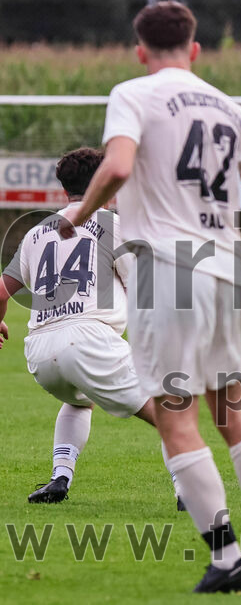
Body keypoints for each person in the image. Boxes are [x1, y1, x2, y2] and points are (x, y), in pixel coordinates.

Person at [63, 1, 241, 592]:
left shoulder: (134, 93)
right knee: (231, 409)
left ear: (141, 50)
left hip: (166, 269)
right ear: (195, 49)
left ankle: (225, 561)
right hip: (225, 269)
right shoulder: (231, 107)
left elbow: (117, 165)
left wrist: (80, 214)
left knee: (176, 414)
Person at [0, 147, 181, 507]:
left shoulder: (37, 232)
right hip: (88, 339)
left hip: (39, 350)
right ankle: (189, 489)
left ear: (64, 187)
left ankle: (60, 478)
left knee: (80, 401)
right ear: (105, 183)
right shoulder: (114, 224)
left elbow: (2, 290)